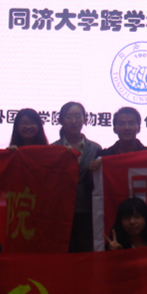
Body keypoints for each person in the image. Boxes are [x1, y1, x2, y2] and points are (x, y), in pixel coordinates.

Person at [51, 102, 102, 253]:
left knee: (84, 253)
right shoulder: (53, 149)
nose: (73, 121)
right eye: (69, 117)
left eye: (77, 116)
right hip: (59, 212)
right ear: (60, 120)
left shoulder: (95, 149)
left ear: (85, 119)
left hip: (87, 211)